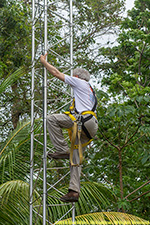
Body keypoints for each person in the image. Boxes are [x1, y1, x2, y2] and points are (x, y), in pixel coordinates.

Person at [40, 53, 98, 202]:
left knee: (51, 119)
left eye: (73, 77)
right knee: (75, 159)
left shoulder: (80, 83)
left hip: (83, 120)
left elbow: (56, 73)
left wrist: (44, 62)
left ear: (77, 77)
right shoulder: (90, 90)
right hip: (91, 125)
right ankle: (74, 191)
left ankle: (61, 149)